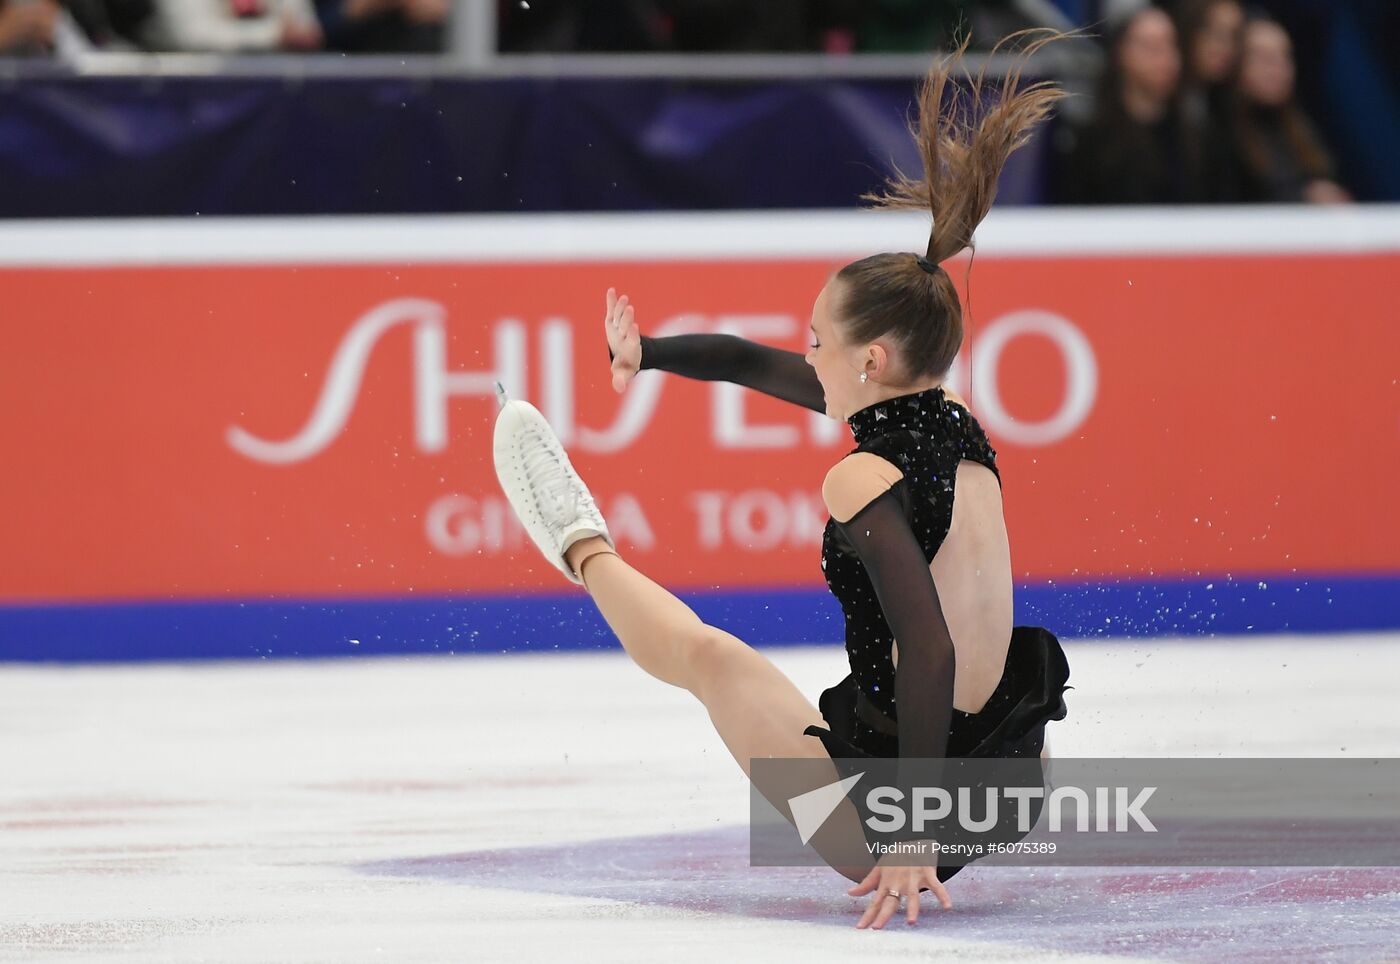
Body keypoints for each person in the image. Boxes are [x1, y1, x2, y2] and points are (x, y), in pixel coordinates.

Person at [492, 33, 1072, 929]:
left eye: (816, 339)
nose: (804, 353)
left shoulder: (863, 475)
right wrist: (648, 356)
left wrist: (912, 837)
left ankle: (579, 542)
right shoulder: (944, 418)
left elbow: (930, 650)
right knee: (740, 663)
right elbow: (746, 362)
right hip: (1003, 784)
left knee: (712, 658)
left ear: (871, 359)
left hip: (887, 819)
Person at [1054, 6, 1194, 204]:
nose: (1166, 59)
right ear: (1122, 53)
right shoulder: (1091, 145)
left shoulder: (1195, 138)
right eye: (1152, 47)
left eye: (1171, 45)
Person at [1234, 15, 1351, 205]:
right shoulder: (1221, 135)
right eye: (1265, 58)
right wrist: (1305, 201)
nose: (1278, 69)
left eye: (1285, 57)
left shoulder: (1299, 130)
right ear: (1235, 62)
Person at [1175, 0, 1247, 202]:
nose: (1225, 47)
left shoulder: (1228, 104)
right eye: (1213, 32)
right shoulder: (1165, 107)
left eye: (1234, 36)